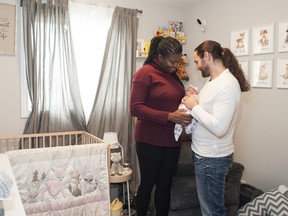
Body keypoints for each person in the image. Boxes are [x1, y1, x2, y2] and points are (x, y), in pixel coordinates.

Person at [182, 40, 250, 216]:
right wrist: (194, 99)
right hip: (204, 155)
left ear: (207, 56)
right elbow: (208, 110)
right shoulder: (213, 81)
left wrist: (194, 107)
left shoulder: (226, 85)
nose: (196, 66)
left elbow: (220, 127)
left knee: (212, 212)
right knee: (210, 209)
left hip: (212, 160)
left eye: (197, 61)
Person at [130, 36, 192, 216]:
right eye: (172, 62)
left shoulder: (172, 75)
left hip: (172, 141)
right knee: (148, 184)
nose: (176, 66)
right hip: (149, 140)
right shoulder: (145, 73)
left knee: (165, 186)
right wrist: (169, 116)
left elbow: (171, 99)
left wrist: (186, 98)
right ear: (159, 56)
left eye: (178, 62)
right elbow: (135, 108)